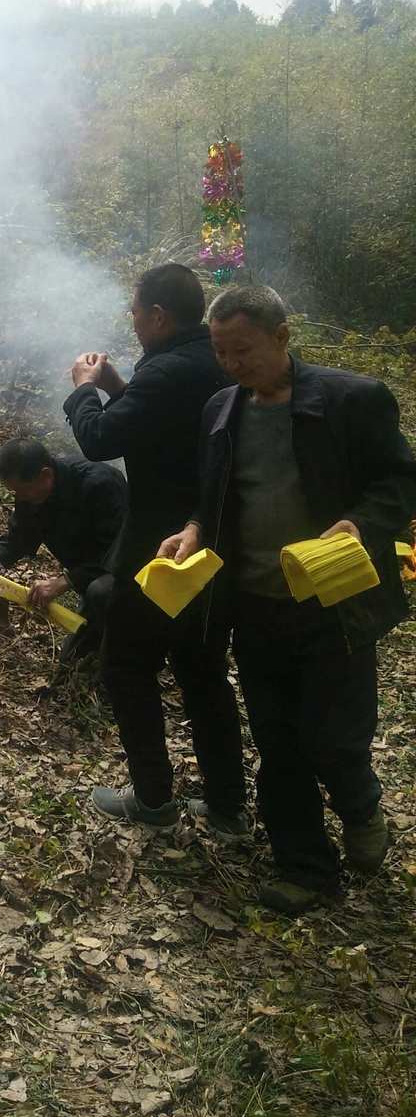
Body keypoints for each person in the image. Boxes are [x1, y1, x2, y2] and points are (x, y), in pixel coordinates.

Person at [158, 284, 416, 914]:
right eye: (221, 351)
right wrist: (194, 529)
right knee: (278, 742)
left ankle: (359, 803)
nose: (231, 363)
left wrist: (364, 523)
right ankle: (305, 869)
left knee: (334, 737)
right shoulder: (220, 409)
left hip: (334, 603)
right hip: (255, 603)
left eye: (242, 349)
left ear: (281, 336)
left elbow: (399, 481)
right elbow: (213, 493)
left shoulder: (351, 399)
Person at [63, 262, 248, 836]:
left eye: (137, 312)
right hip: (214, 546)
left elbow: (100, 440)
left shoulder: (165, 373)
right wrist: (121, 385)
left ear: (159, 317)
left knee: (126, 668)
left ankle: (152, 800)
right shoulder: (214, 363)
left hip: (156, 554)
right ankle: (227, 808)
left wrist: (85, 392)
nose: (134, 320)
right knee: (203, 673)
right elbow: (160, 423)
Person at [0, 438, 126, 662]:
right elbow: (21, 534)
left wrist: (65, 581)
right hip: (89, 583)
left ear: (45, 474)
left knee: (101, 595)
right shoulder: (30, 492)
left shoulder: (99, 484)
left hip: (126, 580)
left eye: (22, 491)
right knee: (70, 660)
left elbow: (118, 553)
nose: (20, 498)